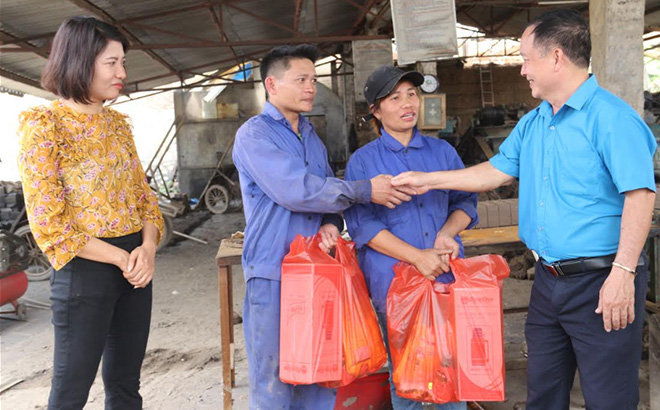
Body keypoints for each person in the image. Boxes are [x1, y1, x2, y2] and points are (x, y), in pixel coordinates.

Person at [391, 9, 656, 410]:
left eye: (526, 59)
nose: (522, 71)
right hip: (548, 280)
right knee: (543, 393)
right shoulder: (534, 123)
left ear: (555, 58)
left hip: (602, 282)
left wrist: (622, 272)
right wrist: (427, 179)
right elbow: (493, 172)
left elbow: (641, 195)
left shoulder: (613, 119)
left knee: (609, 398)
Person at [232, 45, 414, 410]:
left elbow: (326, 186)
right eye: (301, 79)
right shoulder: (255, 135)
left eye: (313, 80)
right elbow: (296, 190)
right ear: (271, 84)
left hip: (318, 271)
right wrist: (365, 190)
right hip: (274, 271)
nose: (311, 88)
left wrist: (331, 222)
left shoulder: (310, 136)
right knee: (275, 376)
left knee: (321, 368)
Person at [17, 17, 164, 410]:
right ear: (80, 62)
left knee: (125, 384)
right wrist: (121, 258)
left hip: (136, 264)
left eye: (122, 63)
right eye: (111, 63)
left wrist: (147, 249)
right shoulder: (44, 126)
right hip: (85, 267)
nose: (122, 73)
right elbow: (49, 223)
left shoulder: (117, 125)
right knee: (71, 391)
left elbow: (144, 198)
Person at [343, 65, 476, 410]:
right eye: (395, 97)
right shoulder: (362, 162)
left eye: (412, 94)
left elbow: (466, 201)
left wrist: (447, 232)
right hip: (393, 283)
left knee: (449, 364)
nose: (407, 103)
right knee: (405, 371)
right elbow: (363, 227)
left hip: (445, 274)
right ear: (375, 110)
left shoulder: (442, 152)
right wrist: (418, 257)